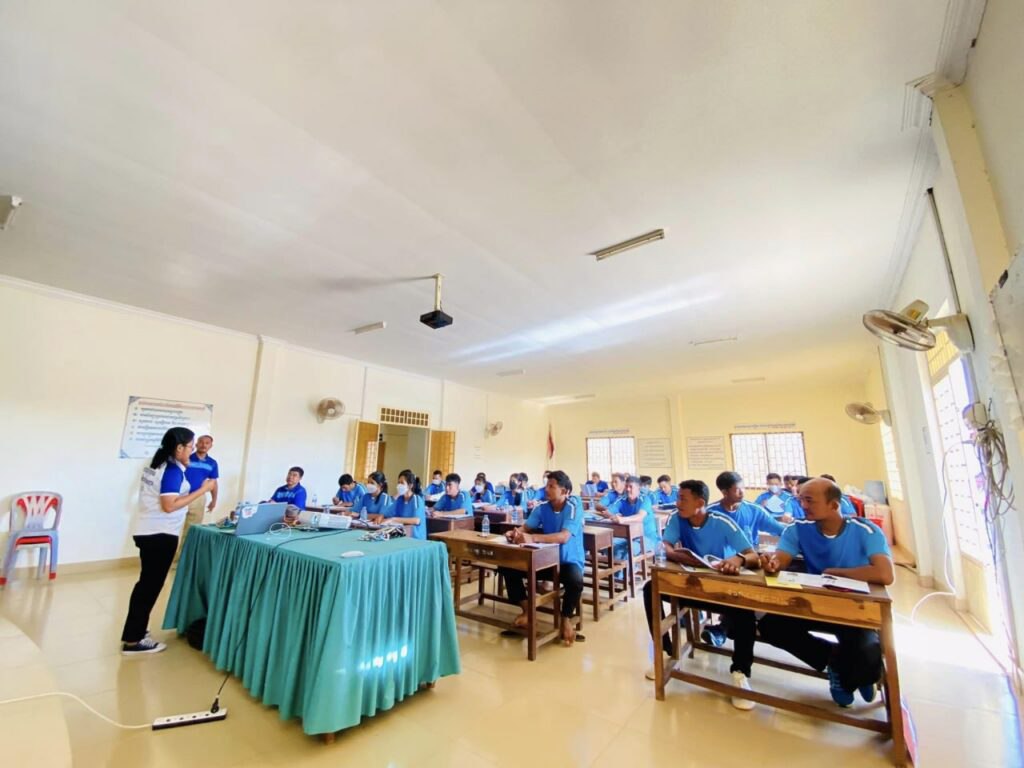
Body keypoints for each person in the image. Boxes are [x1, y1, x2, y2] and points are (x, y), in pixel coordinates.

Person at [760, 477, 894, 708]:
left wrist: (837, 573)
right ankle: (834, 661)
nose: (803, 506)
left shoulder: (865, 530)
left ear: (834, 505)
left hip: (854, 608)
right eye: (801, 500)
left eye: (809, 500)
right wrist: (773, 565)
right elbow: (781, 558)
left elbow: (885, 574)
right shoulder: (798, 528)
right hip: (815, 603)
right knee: (771, 627)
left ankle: (859, 674)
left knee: (867, 653)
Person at [643, 479, 759, 710]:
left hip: (721, 588)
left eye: (682, 499)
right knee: (650, 589)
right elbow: (665, 545)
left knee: (745, 613)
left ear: (700, 503)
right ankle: (665, 652)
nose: (678, 503)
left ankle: (740, 673)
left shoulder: (721, 522)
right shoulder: (677, 518)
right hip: (691, 585)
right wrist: (674, 554)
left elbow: (752, 555)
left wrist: (738, 559)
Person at [121, 427, 215, 655]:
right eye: (190, 446)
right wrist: (203, 490)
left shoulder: (156, 464)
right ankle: (134, 641)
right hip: (160, 535)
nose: (192, 450)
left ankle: (136, 632)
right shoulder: (172, 470)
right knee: (149, 588)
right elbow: (169, 505)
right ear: (179, 447)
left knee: (145, 586)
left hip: (148, 531)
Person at [499, 470, 585, 646]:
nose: (546, 489)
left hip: (568, 561)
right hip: (546, 561)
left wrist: (533, 538)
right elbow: (526, 527)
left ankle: (566, 619)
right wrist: (515, 533)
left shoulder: (574, 506)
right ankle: (528, 612)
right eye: (547, 485)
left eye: (551, 486)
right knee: (507, 566)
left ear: (564, 491)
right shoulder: (542, 507)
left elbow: (564, 537)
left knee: (575, 581)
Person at [707, 471, 786, 543]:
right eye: (737, 489)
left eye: (743, 488)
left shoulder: (755, 511)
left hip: (750, 554)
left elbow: (782, 530)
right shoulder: (709, 513)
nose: (742, 492)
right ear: (724, 492)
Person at [601, 476, 661, 563]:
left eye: (631, 487)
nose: (628, 489)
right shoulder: (622, 500)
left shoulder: (645, 499)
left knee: (627, 551)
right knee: (607, 545)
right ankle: (625, 569)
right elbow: (607, 512)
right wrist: (613, 516)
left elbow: (640, 517)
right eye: (626, 486)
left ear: (638, 488)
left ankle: (627, 570)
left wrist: (623, 519)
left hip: (647, 537)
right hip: (627, 537)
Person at [179, 434, 219, 559]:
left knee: (191, 531)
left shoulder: (212, 463)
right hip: (180, 497)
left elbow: (213, 482)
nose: (203, 445)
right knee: (173, 529)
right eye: (201, 442)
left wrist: (214, 500)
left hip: (198, 499)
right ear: (196, 444)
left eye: (207, 443)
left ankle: (181, 561)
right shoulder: (186, 458)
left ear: (211, 446)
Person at [380, 469, 426, 539]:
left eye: (402, 483)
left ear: (410, 485)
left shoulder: (416, 499)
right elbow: (387, 512)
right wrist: (381, 516)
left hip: (415, 537)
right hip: (403, 533)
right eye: (398, 483)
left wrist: (393, 519)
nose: (399, 485)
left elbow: (416, 520)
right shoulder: (400, 499)